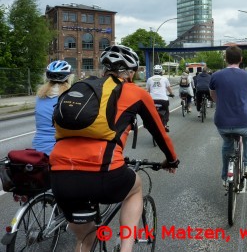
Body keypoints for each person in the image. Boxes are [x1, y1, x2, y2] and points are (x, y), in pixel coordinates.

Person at [50, 45, 179, 252]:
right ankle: (126, 248)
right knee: (135, 187)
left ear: (103, 69)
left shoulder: (81, 89)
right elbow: (160, 133)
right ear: (132, 72)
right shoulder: (136, 93)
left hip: (60, 176)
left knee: (84, 239)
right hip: (104, 172)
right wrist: (172, 160)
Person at [209, 46, 247, 186]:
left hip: (222, 122)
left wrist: (220, 103)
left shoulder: (215, 76)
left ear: (225, 59)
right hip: (244, 122)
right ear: (241, 59)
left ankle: (226, 177)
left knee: (227, 144)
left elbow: (213, 95)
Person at [32, 60, 74, 155]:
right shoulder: (69, 97)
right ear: (69, 78)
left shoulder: (40, 96)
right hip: (59, 149)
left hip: (38, 147)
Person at [146, 64, 174, 132]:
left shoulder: (149, 79)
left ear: (154, 71)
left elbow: (147, 91)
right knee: (166, 111)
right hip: (163, 100)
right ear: (161, 71)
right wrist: (171, 94)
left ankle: (148, 123)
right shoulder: (165, 79)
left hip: (152, 100)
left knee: (150, 112)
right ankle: (164, 124)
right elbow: (169, 88)